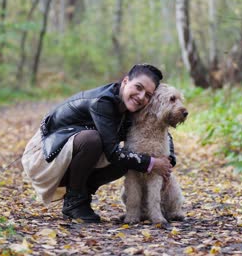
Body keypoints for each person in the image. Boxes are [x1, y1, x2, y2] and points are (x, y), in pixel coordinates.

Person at [22, 64, 176, 223]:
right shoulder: (102, 102)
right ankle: (74, 202)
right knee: (93, 140)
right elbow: (113, 153)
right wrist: (152, 163)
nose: (141, 96)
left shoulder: (131, 105)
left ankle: (83, 193)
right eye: (138, 87)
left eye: (148, 95)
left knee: (128, 160)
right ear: (125, 81)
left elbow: (156, 127)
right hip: (43, 156)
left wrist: (168, 162)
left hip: (66, 153)